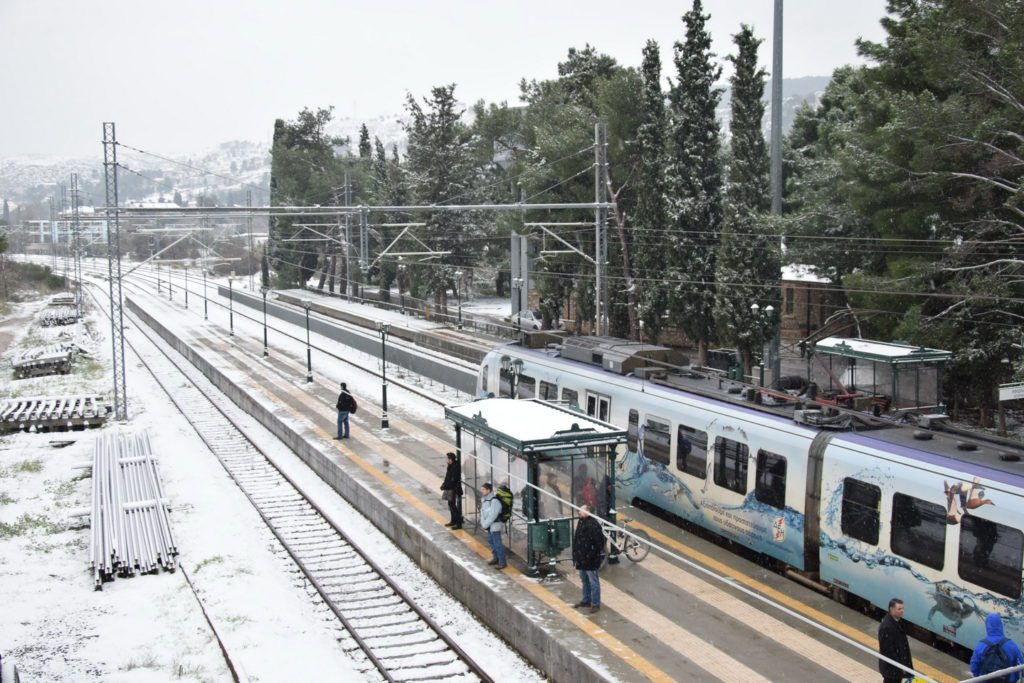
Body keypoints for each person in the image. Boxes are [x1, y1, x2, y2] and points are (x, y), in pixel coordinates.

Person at [970, 613, 1023, 682]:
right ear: (1001, 625)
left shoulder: (981, 645)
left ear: (987, 626)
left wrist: (979, 678)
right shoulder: (1011, 645)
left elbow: (974, 667)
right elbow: (1021, 664)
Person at [572, 505, 605, 614]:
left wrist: (589, 556)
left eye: (581, 511)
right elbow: (577, 539)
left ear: (587, 512)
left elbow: (598, 543)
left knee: (592, 581)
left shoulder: (592, 525)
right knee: (585, 579)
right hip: (582, 558)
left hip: (589, 560)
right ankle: (586, 600)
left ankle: (595, 603)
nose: (578, 512)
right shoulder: (582, 521)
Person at [878, 598, 914, 683]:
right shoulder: (886, 627)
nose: (902, 611)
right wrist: (901, 667)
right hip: (892, 670)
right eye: (899, 609)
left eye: (903, 608)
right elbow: (887, 651)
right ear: (891, 609)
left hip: (898, 669)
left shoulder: (898, 622)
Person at [479, 482, 506, 569]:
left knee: (497, 544)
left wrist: (485, 524)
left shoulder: (494, 501)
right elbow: (482, 513)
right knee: (491, 542)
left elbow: (493, 515)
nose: (482, 491)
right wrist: (483, 523)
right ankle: (495, 558)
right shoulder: (485, 500)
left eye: (483, 489)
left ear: (488, 490)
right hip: (489, 526)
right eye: (481, 489)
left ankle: (502, 562)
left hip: (495, 525)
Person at [440, 452, 463, 530]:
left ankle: (458, 523)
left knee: (453, 506)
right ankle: (453, 521)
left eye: (447, 458)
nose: (445, 459)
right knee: (451, 505)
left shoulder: (455, 466)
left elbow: (453, 480)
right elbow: (447, 477)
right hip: (449, 487)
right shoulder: (450, 466)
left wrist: (445, 486)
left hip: (453, 489)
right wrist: (444, 484)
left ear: (450, 459)